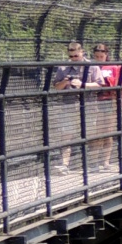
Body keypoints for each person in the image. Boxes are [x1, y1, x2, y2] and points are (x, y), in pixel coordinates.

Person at [48, 42, 87, 174]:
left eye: (76, 55)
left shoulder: (91, 66)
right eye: (71, 56)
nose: (74, 58)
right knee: (66, 136)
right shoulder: (63, 68)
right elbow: (56, 87)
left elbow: (100, 85)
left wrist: (83, 84)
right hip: (69, 105)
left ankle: (92, 164)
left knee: (92, 135)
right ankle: (64, 165)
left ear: (82, 52)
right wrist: (65, 82)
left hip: (89, 105)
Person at [82, 42, 119, 170]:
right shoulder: (90, 67)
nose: (98, 59)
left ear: (106, 55)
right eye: (96, 56)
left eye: (101, 57)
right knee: (95, 132)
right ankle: (94, 161)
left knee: (108, 132)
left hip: (109, 100)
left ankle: (106, 161)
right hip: (93, 101)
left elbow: (117, 83)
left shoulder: (113, 67)